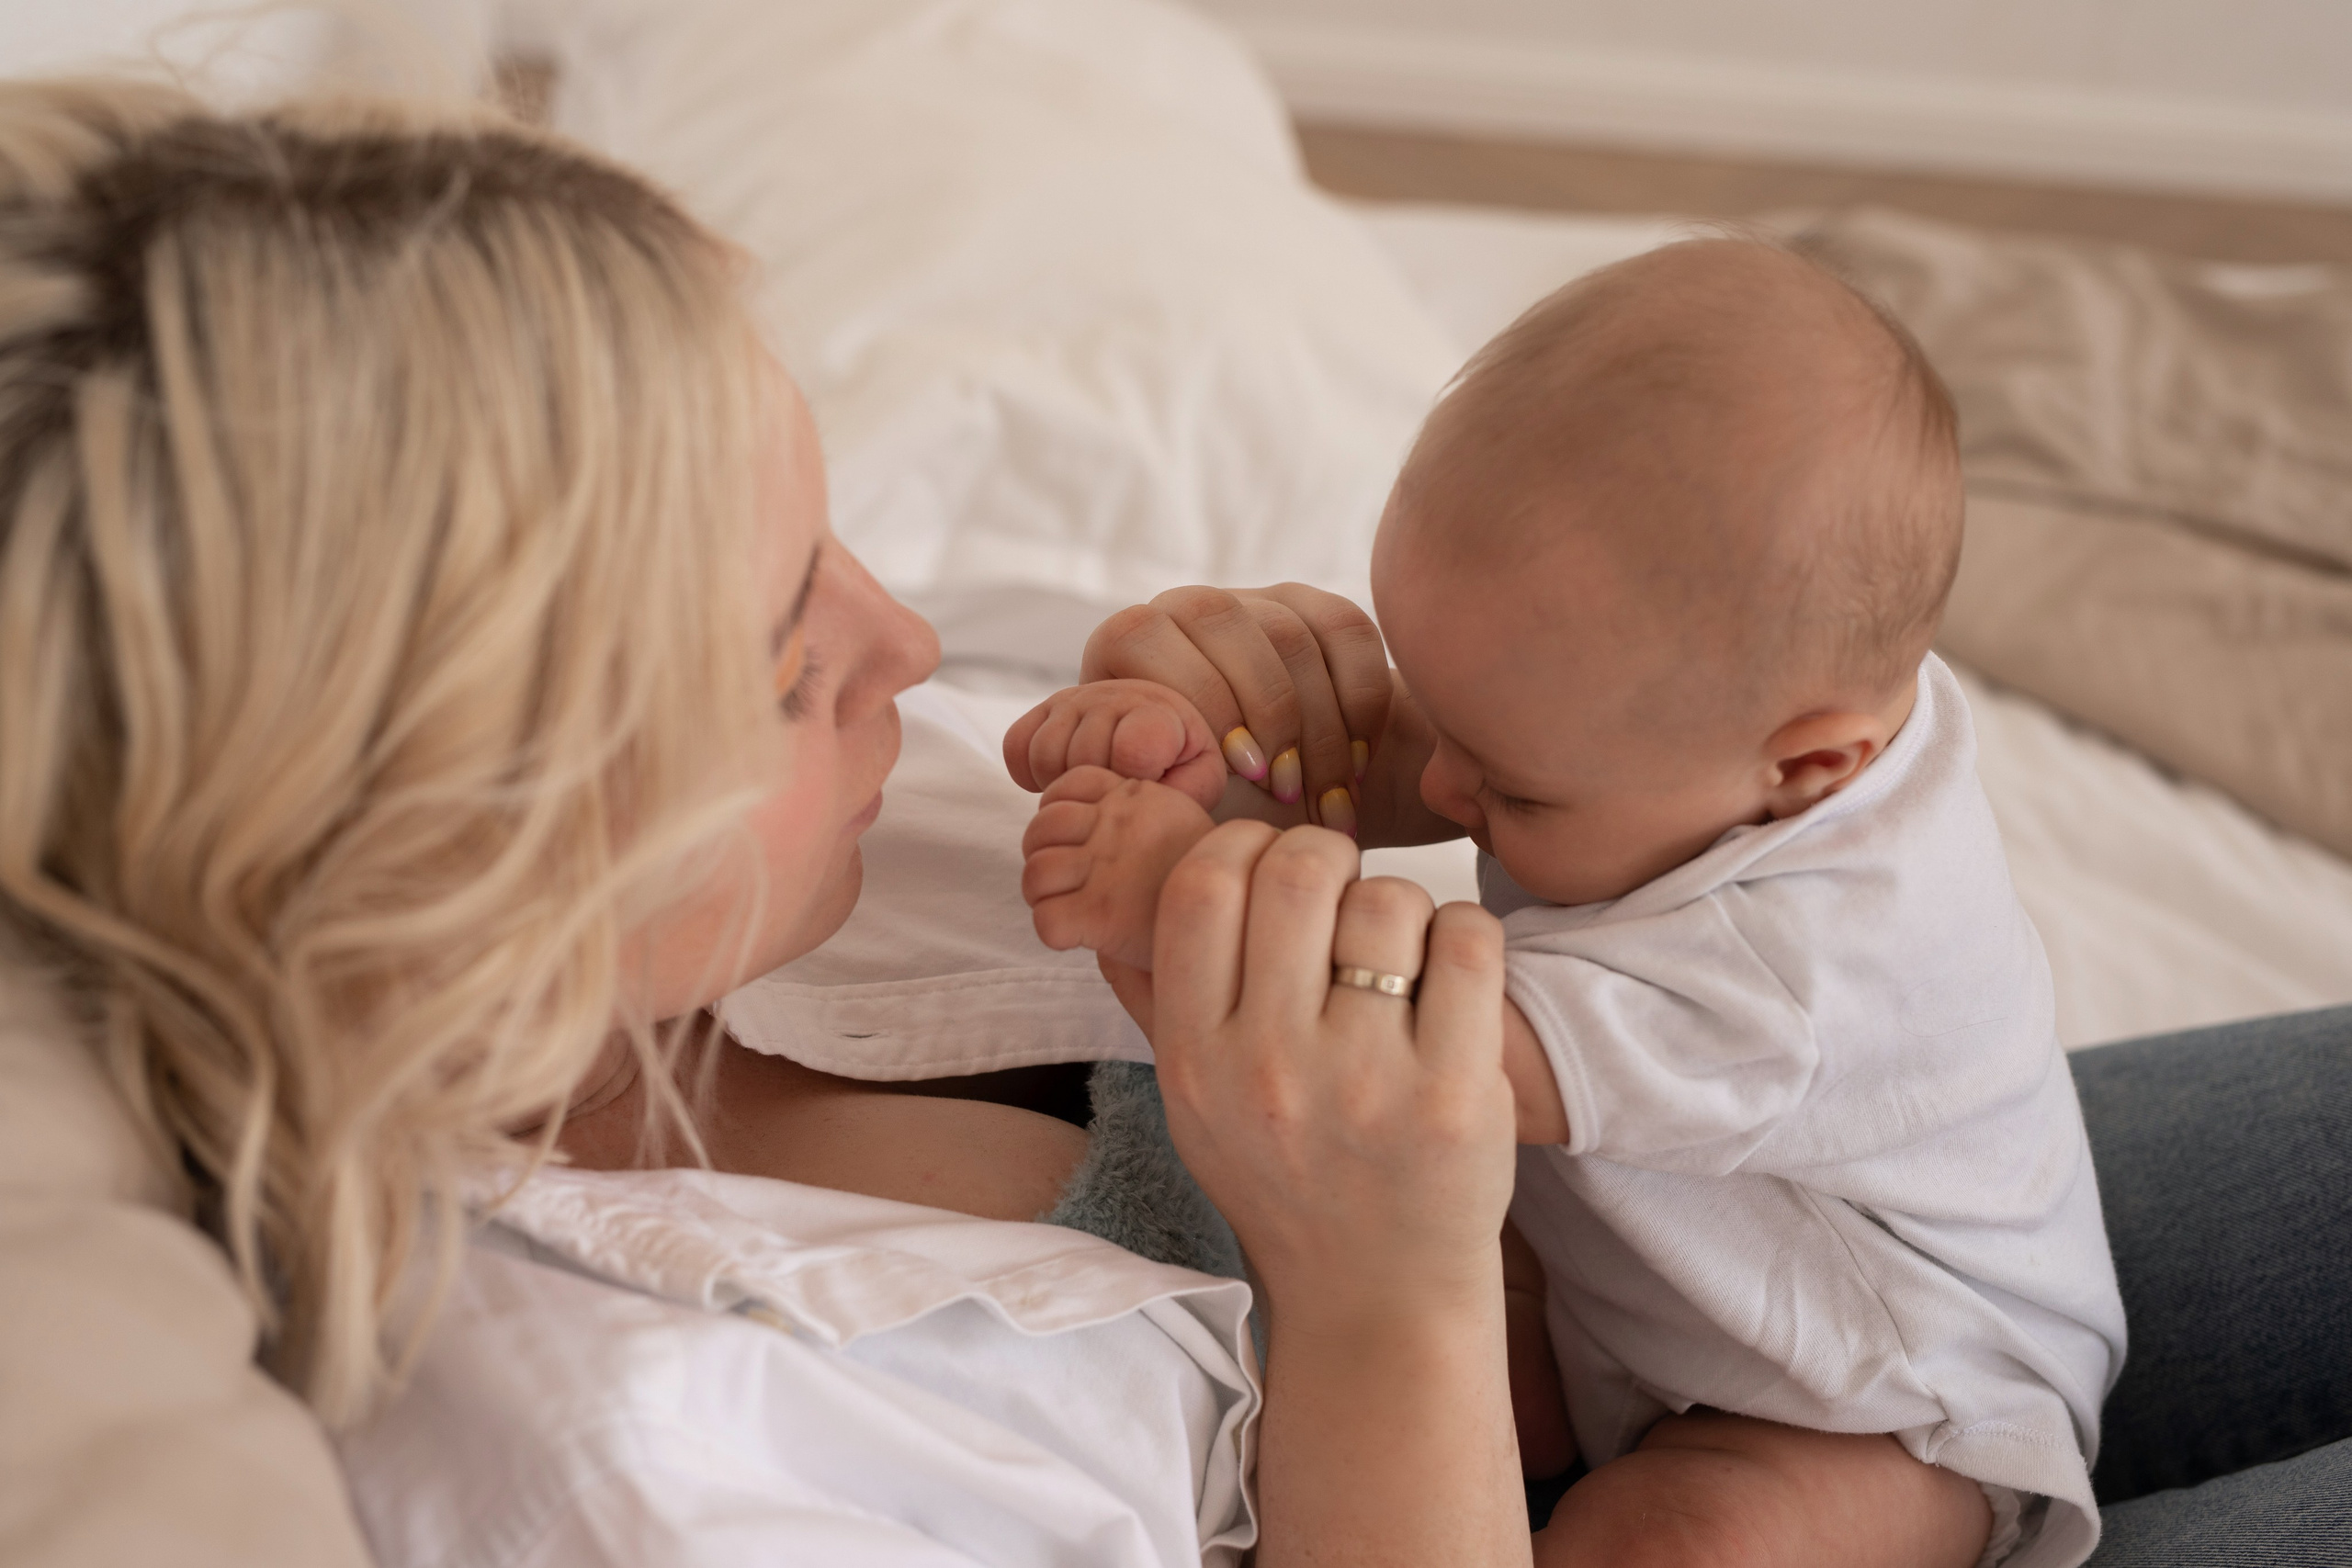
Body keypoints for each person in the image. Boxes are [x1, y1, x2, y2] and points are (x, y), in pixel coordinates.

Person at [0, 78, 2342, 1568]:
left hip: (1721, 1267)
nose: (912, 646)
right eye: (794, 649)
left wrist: (1228, 741)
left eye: (839, 538)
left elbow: (1190, 825)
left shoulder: (719, 888)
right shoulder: (633, 1458)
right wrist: (1385, 1294)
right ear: (460, 860)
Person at [1009, 240, 2124, 1567]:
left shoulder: (1805, 967)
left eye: (1514, 794)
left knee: (1677, 1537)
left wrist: (1178, 896)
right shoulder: (1731, 720)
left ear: (1810, 766)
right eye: (1445, 713)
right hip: (1655, 1262)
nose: (1433, 781)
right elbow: (1411, 760)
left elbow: (1421, 1059)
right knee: (1462, 1303)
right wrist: (1225, 762)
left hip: (1875, 1402)